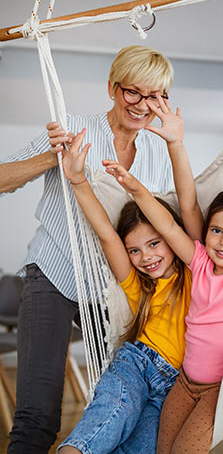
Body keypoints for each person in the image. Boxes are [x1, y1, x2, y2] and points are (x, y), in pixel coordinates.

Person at [0, 45, 176, 454]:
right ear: (113, 88)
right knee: (37, 417)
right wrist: (52, 157)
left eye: (154, 96)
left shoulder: (157, 151)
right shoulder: (73, 128)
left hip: (111, 289)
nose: (142, 105)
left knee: (118, 407)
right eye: (134, 92)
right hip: (53, 275)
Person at [104, 95, 223, 454]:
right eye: (217, 231)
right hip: (183, 383)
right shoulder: (198, 262)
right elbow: (169, 221)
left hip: (220, 391)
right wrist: (135, 189)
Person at [56, 123, 192, 453]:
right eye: (135, 250)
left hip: (173, 388)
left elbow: (187, 208)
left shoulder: (193, 272)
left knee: (140, 447)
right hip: (136, 363)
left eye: (155, 243)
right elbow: (105, 233)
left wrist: (175, 144)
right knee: (111, 415)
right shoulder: (137, 285)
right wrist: (77, 180)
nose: (145, 257)